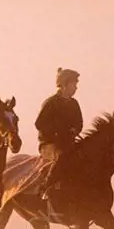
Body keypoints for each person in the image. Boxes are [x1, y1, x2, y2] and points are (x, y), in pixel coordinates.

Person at [36, 67, 83, 199]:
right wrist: (57, 133)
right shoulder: (51, 103)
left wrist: (74, 130)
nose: (76, 88)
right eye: (73, 84)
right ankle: (45, 186)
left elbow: (79, 123)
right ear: (64, 84)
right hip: (49, 144)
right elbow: (39, 124)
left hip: (68, 143)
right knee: (61, 157)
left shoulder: (74, 104)